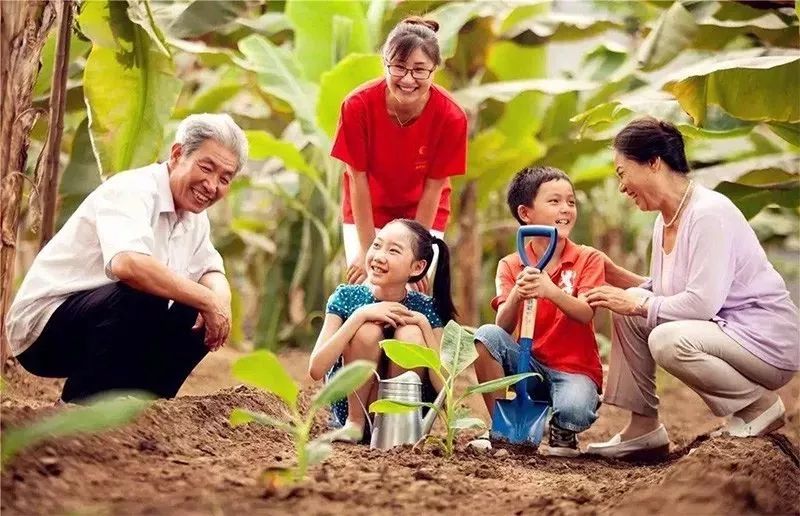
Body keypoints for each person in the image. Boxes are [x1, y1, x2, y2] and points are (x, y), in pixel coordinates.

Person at [585, 117, 799, 460]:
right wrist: (614, 275)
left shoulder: (708, 213)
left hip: (764, 343)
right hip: (726, 334)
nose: (621, 187)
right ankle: (644, 427)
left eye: (622, 173)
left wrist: (636, 303)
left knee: (665, 339)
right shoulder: (664, 219)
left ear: (654, 162)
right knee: (630, 309)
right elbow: (665, 292)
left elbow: (700, 304)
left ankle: (759, 406)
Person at [6, 113, 248, 403]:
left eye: (224, 178)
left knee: (193, 310)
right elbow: (128, 265)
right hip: (43, 330)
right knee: (146, 292)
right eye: (206, 168)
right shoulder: (133, 189)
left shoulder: (194, 217)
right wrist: (208, 300)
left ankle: (148, 405)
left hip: (105, 326)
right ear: (177, 154)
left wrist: (219, 301)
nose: (211, 185)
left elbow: (210, 269)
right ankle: (80, 403)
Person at [472, 166, 605, 457]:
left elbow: (586, 313)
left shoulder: (587, 259)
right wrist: (518, 294)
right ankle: (502, 427)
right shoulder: (510, 265)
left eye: (571, 201)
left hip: (574, 369)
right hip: (527, 365)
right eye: (554, 201)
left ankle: (562, 428)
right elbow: (503, 326)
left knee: (575, 411)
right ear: (525, 213)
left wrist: (551, 291)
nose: (566, 209)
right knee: (486, 335)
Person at [330, 16, 468, 292]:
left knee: (416, 297)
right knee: (367, 291)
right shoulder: (357, 106)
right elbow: (357, 180)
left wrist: (417, 254)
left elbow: (432, 190)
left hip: (423, 214)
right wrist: (369, 249)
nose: (408, 79)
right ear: (385, 64)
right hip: (367, 212)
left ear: (434, 70)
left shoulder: (451, 116)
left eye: (419, 70)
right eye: (399, 67)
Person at [308, 218, 456, 442]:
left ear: (417, 267)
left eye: (393, 251)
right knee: (367, 330)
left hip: (403, 420)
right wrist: (360, 316)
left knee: (411, 333)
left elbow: (445, 391)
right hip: (353, 408)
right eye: (377, 245)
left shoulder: (426, 309)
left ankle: (394, 422)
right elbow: (316, 369)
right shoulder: (346, 297)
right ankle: (354, 424)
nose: (379, 256)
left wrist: (424, 325)